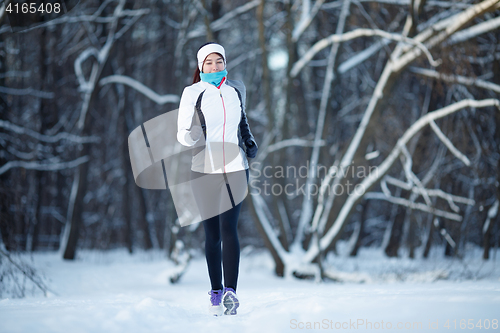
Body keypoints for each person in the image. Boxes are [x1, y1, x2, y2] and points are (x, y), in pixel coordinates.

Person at [176, 42, 258, 316]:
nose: (215, 66)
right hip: (203, 169)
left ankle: (231, 293)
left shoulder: (236, 89)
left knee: (229, 229)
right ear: (201, 66)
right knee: (212, 235)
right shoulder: (193, 92)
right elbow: (181, 133)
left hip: (235, 167)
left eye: (219, 61)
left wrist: (248, 140)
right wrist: (193, 136)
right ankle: (216, 290)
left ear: (225, 63)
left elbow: (242, 119)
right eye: (209, 62)